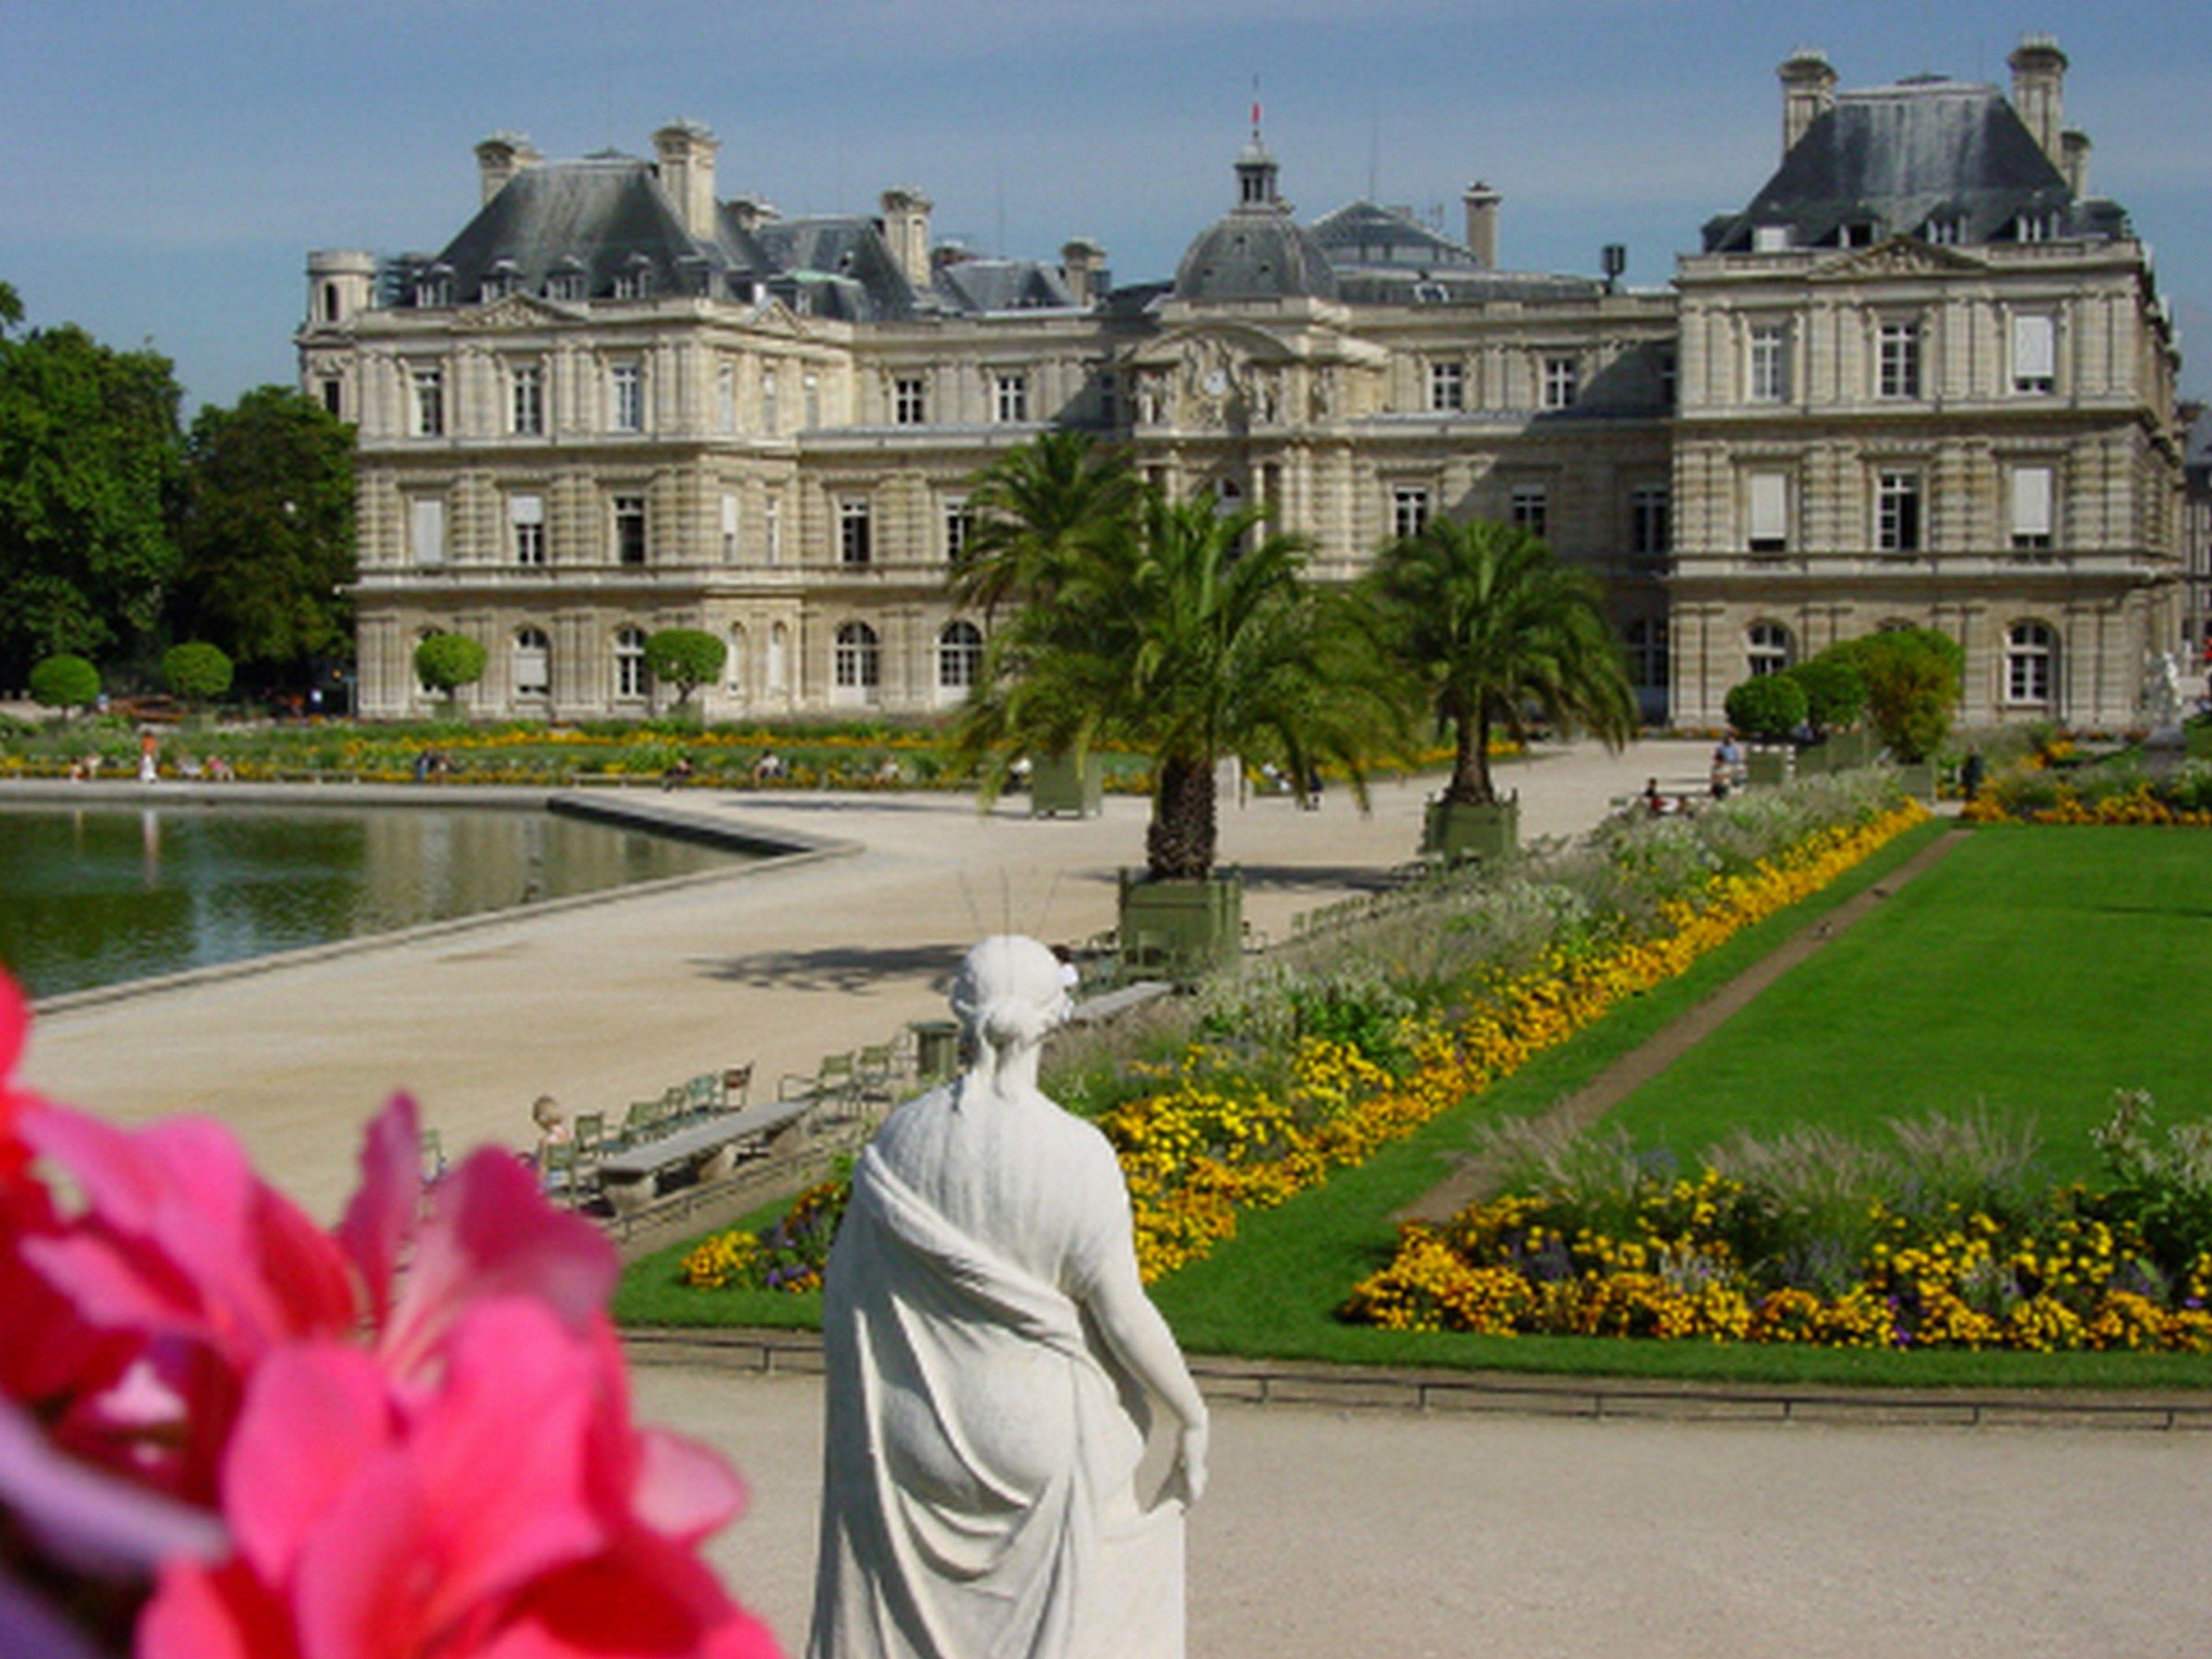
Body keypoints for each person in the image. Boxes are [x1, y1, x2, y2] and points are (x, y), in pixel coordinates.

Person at [810, 935, 1207, 1659]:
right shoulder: (1076, 1153)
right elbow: (1122, 1314)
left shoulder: (900, 1140)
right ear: (1055, 1017)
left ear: (959, 1010)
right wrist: (1191, 1412)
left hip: (914, 1434)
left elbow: (847, 1294)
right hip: (1037, 1437)